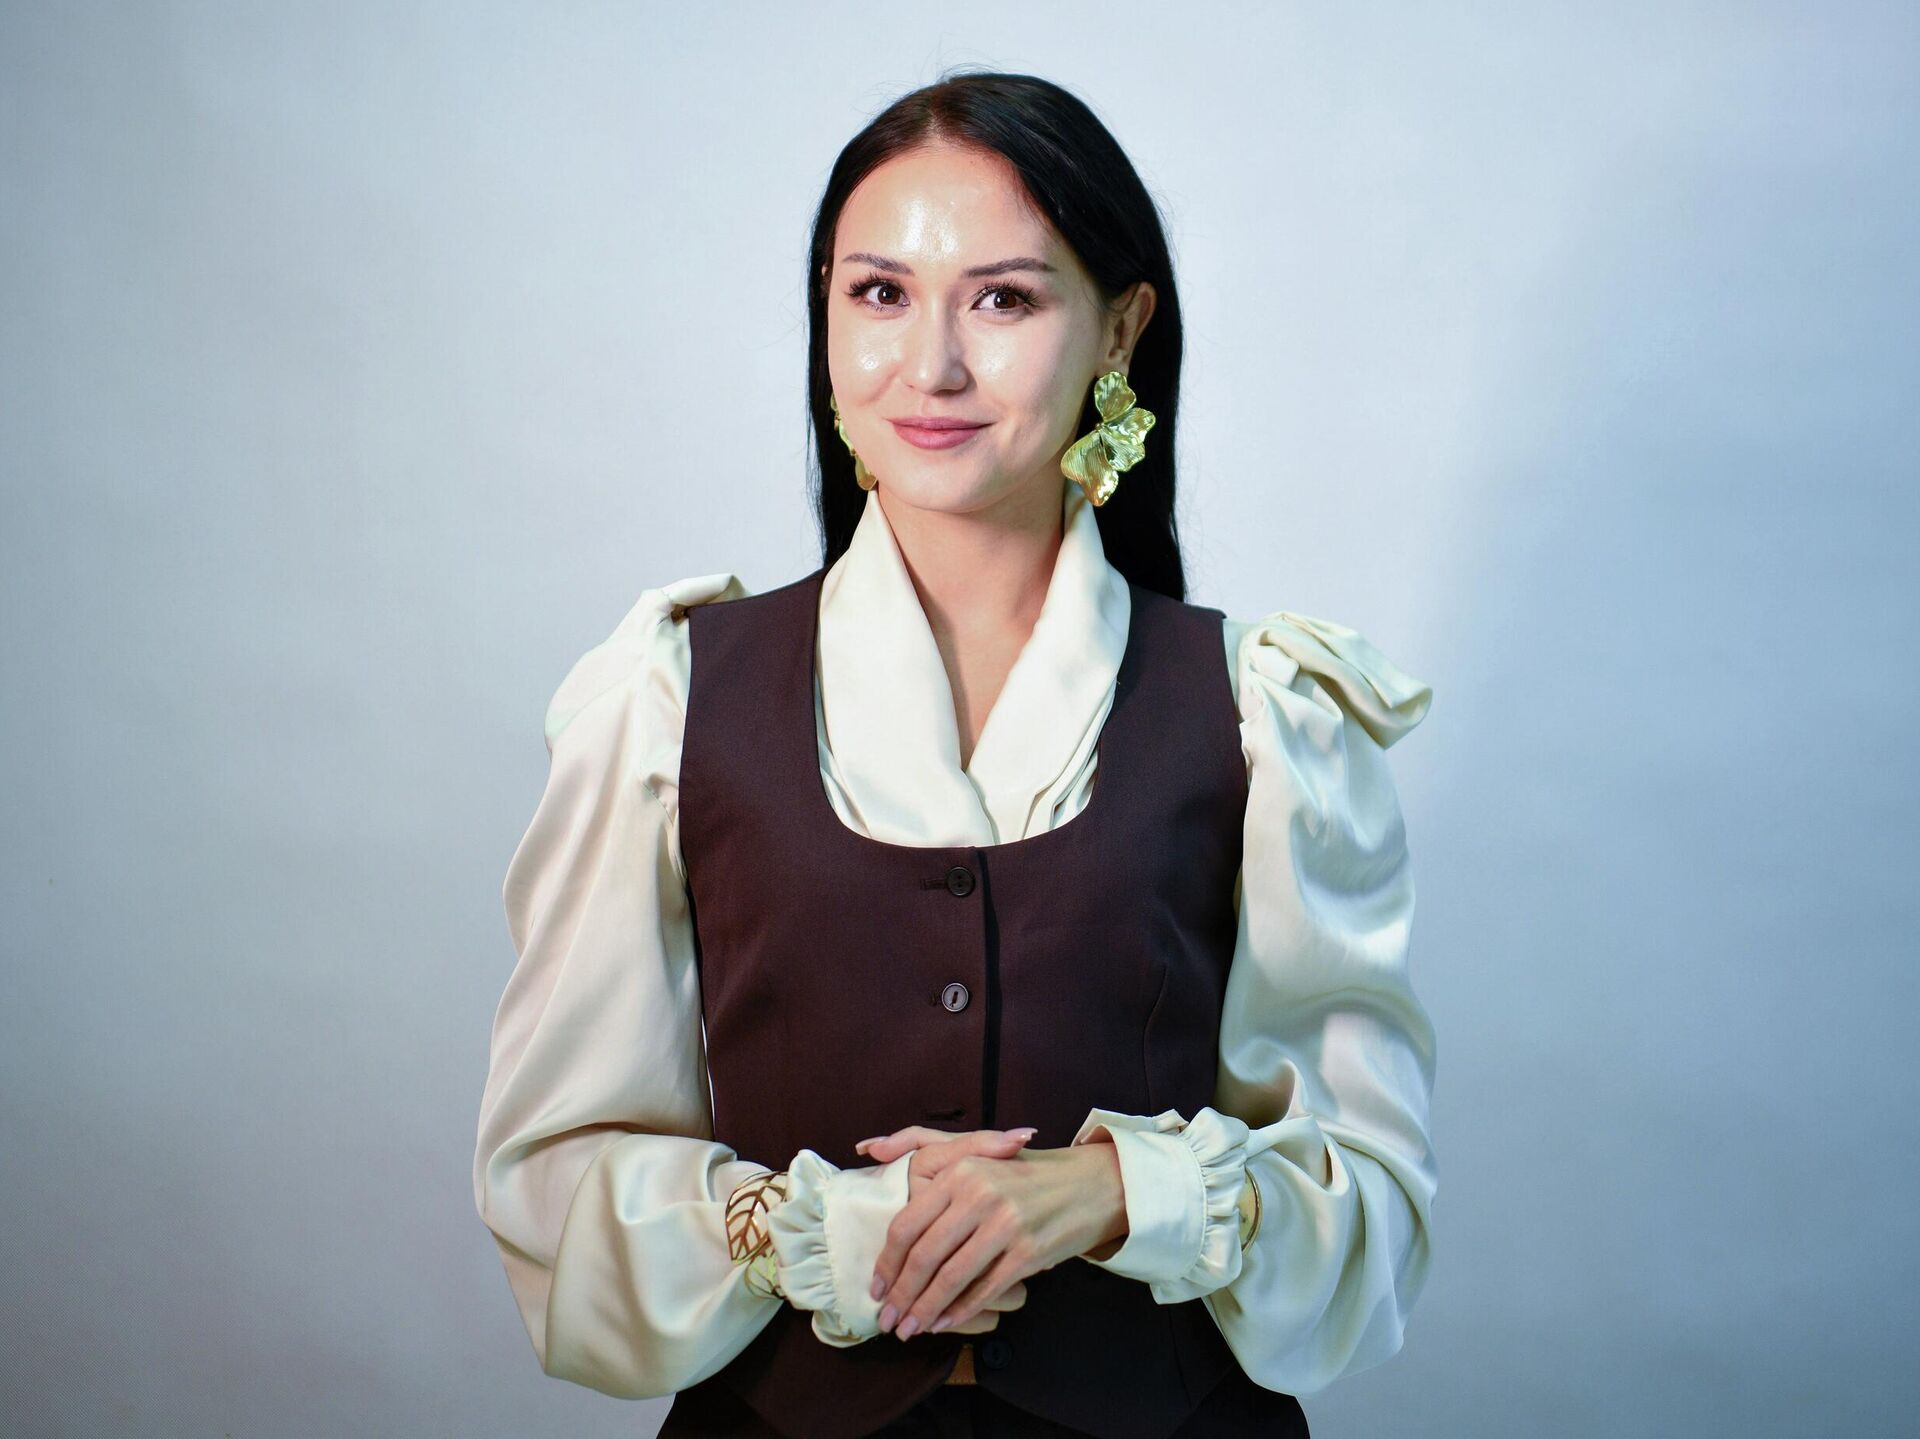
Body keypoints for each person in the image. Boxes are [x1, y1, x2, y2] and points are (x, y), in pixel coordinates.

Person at [472, 70, 1437, 1439]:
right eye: (878, 293)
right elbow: (552, 1185)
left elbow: (1374, 1214)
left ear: (1121, 327)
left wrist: (1117, 1192)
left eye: (1003, 301)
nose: (928, 367)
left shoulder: (1261, 712)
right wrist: (818, 1230)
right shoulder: (669, 700)